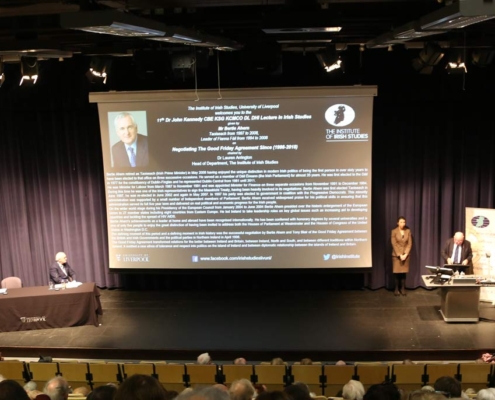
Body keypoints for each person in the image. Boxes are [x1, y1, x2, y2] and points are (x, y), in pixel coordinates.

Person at [391, 216, 413, 296]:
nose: (403, 224)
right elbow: (394, 243)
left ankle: (403, 288)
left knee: (403, 273)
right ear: (397, 223)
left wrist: (406, 254)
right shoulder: (394, 231)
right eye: (401, 222)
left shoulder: (408, 231)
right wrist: (400, 255)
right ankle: (396, 289)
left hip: (406, 255)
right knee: (397, 273)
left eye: (404, 222)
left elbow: (409, 243)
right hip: (396, 255)